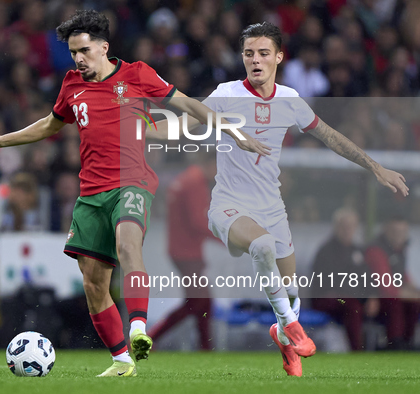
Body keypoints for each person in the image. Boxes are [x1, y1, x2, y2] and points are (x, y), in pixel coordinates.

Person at [0, 10, 268, 377]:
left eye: (84, 50)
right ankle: (120, 361)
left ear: (104, 47)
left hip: (132, 182)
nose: (79, 59)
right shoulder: (71, 85)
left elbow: (188, 105)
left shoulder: (137, 75)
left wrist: (233, 132)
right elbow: (50, 124)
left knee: (128, 245)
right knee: (93, 282)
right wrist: (3, 140)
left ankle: (139, 329)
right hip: (90, 192)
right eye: (72, 53)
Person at [149, 22, 408, 376]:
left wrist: (375, 166)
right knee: (263, 247)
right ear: (242, 58)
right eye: (249, 54)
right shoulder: (226, 93)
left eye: (263, 53)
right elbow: (185, 124)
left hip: (272, 208)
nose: (256, 60)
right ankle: (290, 325)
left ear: (279, 57)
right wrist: (144, 131)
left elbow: (331, 137)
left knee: (291, 289)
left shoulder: (289, 101)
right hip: (229, 205)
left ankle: (284, 338)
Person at [147, 154, 217, 350]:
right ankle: (149, 339)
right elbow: (198, 221)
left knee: (203, 301)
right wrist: (225, 239)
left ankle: (206, 346)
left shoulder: (186, 179)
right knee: (197, 301)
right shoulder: (195, 183)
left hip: (182, 250)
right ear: (211, 163)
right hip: (188, 253)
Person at [310, 208, 379, 351]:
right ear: (336, 227)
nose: (348, 230)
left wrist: (372, 296)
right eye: (344, 226)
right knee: (352, 306)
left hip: (351, 298)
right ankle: (356, 351)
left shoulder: (358, 251)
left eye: (351, 226)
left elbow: (367, 278)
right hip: (327, 298)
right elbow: (324, 282)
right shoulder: (325, 251)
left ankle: (393, 349)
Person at [365, 217, 420, 350]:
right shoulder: (376, 251)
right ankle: (396, 344)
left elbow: (404, 278)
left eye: (402, 232)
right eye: (395, 231)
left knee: (414, 304)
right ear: (386, 230)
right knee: (395, 302)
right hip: (373, 299)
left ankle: (408, 343)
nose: (399, 236)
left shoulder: (400, 250)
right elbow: (386, 287)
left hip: (391, 296)